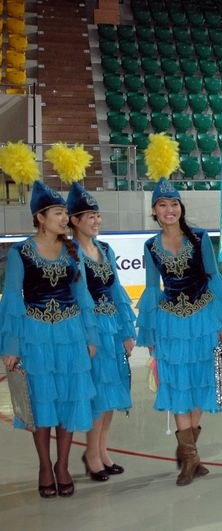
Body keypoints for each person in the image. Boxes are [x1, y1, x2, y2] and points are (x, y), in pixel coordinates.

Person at [136, 178, 222, 485]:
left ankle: (189, 452)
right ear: (154, 211)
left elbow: (213, 278)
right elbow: (151, 289)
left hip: (203, 321)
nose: (169, 210)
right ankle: (191, 458)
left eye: (174, 204)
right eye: (162, 205)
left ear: (181, 207)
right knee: (179, 387)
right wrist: (152, 335)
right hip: (170, 326)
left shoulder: (199, 238)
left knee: (201, 384)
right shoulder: (150, 246)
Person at [0, 181, 98, 498]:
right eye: (58, 212)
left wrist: (90, 335)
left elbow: (82, 295)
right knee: (42, 402)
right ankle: (45, 465)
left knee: (68, 399)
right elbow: (12, 300)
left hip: (70, 335)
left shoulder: (72, 252)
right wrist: (11, 347)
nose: (64, 217)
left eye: (65, 212)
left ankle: (63, 465)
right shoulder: (20, 253)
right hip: (36, 336)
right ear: (40, 217)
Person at [67, 182, 136, 481]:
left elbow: (117, 291)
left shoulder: (105, 249)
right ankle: (91, 454)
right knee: (97, 395)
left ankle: (103, 450)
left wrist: (127, 330)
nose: (95, 221)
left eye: (97, 215)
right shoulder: (69, 253)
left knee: (111, 392)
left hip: (111, 329)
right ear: (74, 221)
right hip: (89, 332)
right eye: (89, 216)